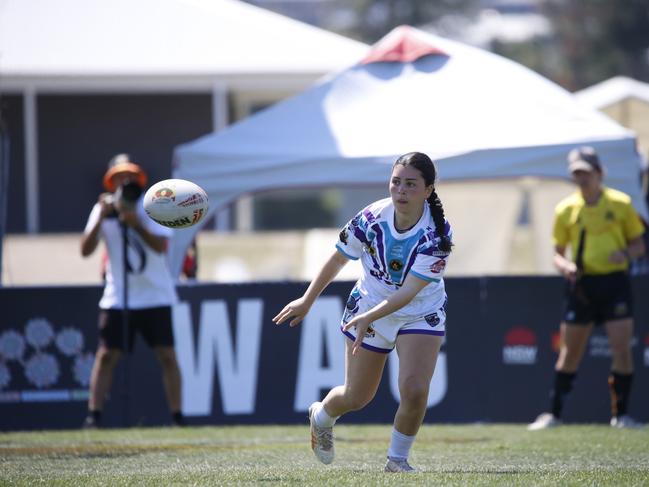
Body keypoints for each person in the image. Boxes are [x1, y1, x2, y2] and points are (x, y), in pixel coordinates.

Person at [273, 152, 453, 473]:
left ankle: (397, 461)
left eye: (411, 185)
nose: (400, 191)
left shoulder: (436, 234)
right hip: (369, 306)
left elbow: (410, 292)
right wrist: (307, 299)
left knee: (414, 390)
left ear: (427, 191)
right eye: (396, 182)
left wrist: (371, 317)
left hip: (419, 311)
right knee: (357, 397)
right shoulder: (371, 217)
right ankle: (323, 416)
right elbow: (338, 258)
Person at [528, 146, 646, 431]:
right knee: (570, 352)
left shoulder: (620, 204)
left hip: (614, 283)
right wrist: (565, 266)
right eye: (576, 173)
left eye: (586, 172)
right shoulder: (566, 209)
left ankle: (622, 415)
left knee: (621, 349)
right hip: (581, 286)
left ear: (599, 173)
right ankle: (553, 414)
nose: (581, 178)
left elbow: (639, 245)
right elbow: (557, 252)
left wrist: (626, 255)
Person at [81, 155, 184, 428]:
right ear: (111, 182)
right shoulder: (103, 208)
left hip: (154, 294)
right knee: (106, 356)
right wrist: (102, 218)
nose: (125, 182)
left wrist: (136, 222)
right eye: (119, 177)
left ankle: (177, 416)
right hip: (118, 296)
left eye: (130, 177)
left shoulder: (154, 208)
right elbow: (85, 250)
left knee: (167, 355)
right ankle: (94, 416)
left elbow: (160, 247)